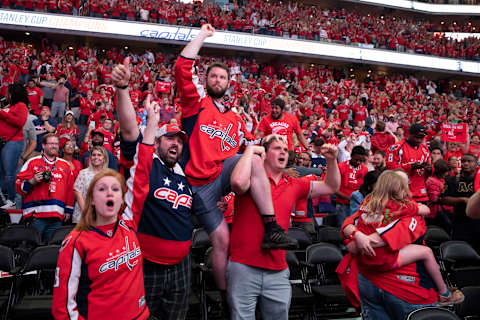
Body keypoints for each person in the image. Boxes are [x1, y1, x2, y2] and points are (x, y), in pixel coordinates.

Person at [169, 23, 297, 296]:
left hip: (226, 175)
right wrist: (203, 35)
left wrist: (276, 144)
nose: (217, 80)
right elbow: (181, 69)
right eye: (213, 77)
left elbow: (252, 143)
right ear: (206, 81)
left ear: (229, 84)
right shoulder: (196, 105)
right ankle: (225, 295)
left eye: (222, 78)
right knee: (221, 241)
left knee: (254, 157)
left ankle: (271, 228)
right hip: (200, 183)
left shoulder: (235, 117)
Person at [228, 134, 340, 320]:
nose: (283, 152)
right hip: (243, 266)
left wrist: (331, 160)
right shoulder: (250, 177)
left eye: (285, 150)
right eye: (277, 148)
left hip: (278, 270)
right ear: (264, 152)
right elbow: (237, 184)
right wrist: (250, 151)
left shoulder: (294, 184)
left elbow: (331, 186)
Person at [114, 81, 195, 318]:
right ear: (157, 142)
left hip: (181, 265)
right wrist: (122, 89)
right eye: (170, 139)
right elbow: (129, 129)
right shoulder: (145, 164)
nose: (176, 144)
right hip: (146, 263)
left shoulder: (184, 174)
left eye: (179, 141)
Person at [347, 171, 463, 306]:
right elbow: (425, 210)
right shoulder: (402, 207)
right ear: (398, 188)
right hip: (384, 263)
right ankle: (444, 293)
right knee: (426, 252)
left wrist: (356, 236)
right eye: (405, 184)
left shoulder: (367, 201)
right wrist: (359, 240)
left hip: (364, 261)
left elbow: (347, 225)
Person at [52, 169, 150, 320]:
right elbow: (63, 307)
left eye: (115, 189)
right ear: (91, 199)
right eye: (102, 189)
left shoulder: (130, 225)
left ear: (122, 199)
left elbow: (141, 174)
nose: (109, 193)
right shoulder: (75, 242)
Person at [16, 133, 74, 241]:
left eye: (56, 144)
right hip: (36, 215)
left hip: (57, 215)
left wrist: (68, 210)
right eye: (51, 143)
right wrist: (32, 181)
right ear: (43, 145)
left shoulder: (65, 165)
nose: (54, 146)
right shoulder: (32, 162)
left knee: (50, 251)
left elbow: (70, 189)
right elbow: (18, 185)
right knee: (30, 247)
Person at [441, 153, 480, 252]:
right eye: (463, 161)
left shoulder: (478, 180)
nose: (466, 164)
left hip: (477, 221)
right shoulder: (453, 180)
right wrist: (462, 200)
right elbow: (443, 199)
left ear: (476, 164)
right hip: (460, 222)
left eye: (469, 161)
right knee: (461, 250)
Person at [386, 123, 431, 203]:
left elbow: (429, 170)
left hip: (421, 194)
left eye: (422, 137)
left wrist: (430, 169)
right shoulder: (396, 148)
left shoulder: (425, 150)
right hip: (402, 194)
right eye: (417, 137)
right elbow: (390, 169)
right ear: (410, 134)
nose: (419, 140)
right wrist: (411, 166)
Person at [0, 83, 29, 210]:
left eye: (8, 93)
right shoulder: (9, 106)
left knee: (9, 174)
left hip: (14, 142)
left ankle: (11, 200)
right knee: (2, 173)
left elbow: (20, 122)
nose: (6, 95)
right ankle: (4, 200)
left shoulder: (21, 106)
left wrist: (2, 113)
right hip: (4, 142)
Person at [73, 146, 109, 223]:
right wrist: (86, 213)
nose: (96, 157)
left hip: (101, 217)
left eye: (99, 155)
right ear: (90, 158)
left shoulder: (108, 175)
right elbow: (78, 193)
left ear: (104, 158)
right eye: (94, 155)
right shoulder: (83, 173)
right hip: (83, 215)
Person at [335, 146, 369, 227]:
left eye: (361, 160)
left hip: (357, 205)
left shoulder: (365, 169)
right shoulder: (341, 167)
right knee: (343, 228)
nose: (358, 162)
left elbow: (364, 188)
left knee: (355, 228)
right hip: (342, 204)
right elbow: (334, 188)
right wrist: (350, 198)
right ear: (351, 156)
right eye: (356, 159)